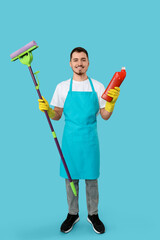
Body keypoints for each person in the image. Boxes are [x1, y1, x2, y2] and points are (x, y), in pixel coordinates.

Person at [38, 47, 120, 234]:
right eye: (75, 60)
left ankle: (93, 214)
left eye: (83, 59)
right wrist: (49, 111)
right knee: (70, 179)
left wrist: (111, 103)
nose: (79, 63)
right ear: (70, 63)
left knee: (92, 179)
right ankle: (72, 214)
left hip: (90, 140)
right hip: (70, 141)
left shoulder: (98, 87)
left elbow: (105, 115)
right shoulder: (62, 87)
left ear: (88, 62)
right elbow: (57, 115)